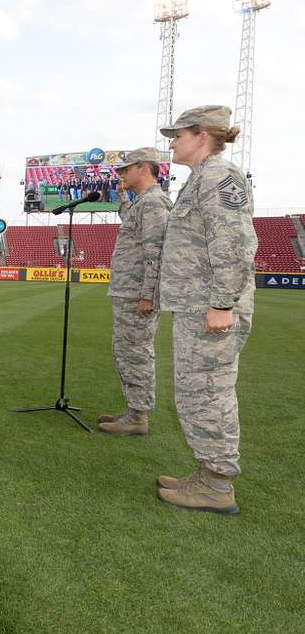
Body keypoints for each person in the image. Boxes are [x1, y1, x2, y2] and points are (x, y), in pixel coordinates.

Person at [155, 105, 257, 515]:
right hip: (197, 306)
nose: (172, 142)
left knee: (209, 394)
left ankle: (217, 485)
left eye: (178, 135)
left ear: (202, 135)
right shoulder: (201, 179)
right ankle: (207, 471)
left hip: (210, 309)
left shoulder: (218, 176)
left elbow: (233, 243)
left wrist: (221, 304)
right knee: (196, 393)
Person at [98, 148, 172, 436]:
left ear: (143, 168)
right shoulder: (143, 202)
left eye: (126, 169)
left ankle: (138, 416)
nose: (122, 175)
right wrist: (122, 197)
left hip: (136, 294)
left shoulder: (154, 203)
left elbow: (156, 252)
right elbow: (131, 220)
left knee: (135, 353)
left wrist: (148, 294)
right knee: (126, 351)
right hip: (128, 291)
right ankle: (133, 410)